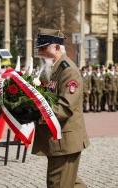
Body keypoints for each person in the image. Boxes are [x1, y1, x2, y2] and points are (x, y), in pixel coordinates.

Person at [32, 27, 90, 188]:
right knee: (71, 183)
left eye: (43, 48)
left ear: (57, 48)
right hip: (58, 140)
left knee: (57, 183)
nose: (40, 53)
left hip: (65, 141)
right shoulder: (51, 69)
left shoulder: (68, 71)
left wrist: (36, 115)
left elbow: (65, 107)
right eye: (39, 49)